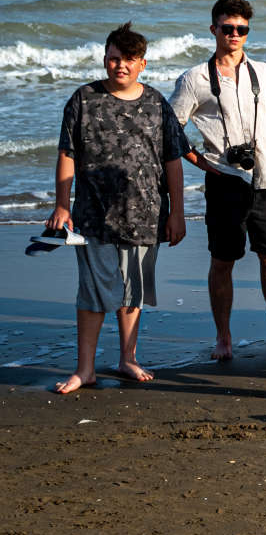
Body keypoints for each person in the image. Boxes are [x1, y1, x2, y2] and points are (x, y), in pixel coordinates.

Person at [169, 0, 266, 360]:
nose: (234, 34)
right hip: (224, 180)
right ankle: (224, 338)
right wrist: (200, 162)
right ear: (213, 29)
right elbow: (171, 128)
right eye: (227, 28)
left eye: (241, 29)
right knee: (223, 260)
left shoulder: (264, 74)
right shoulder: (195, 79)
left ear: (247, 32)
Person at [49, 23, 188, 394]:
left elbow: (173, 160)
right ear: (105, 59)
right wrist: (62, 205)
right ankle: (85, 370)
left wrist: (177, 213)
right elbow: (67, 153)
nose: (119, 66)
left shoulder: (157, 103)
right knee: (93, 294)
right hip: (92, 216)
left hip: (146, 214)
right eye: (113, 58)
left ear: (142, 63)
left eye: (128, 59)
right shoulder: (83, 99)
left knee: (133, 293)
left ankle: (128, 358)